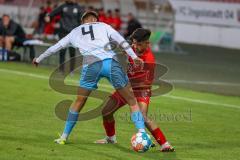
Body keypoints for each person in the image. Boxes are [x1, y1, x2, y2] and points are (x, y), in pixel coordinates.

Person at [32, 11, 149, 145]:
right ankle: (142, 133)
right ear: (95, 19)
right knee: (131, 100)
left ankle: (64, 137)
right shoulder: (103, 26)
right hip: (110, 63)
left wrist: (39, 58)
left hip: (91, 66)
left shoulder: (75, 31)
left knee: (79, 101)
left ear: (83, 21)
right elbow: (121, 41)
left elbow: (55, 47)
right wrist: (134, 57)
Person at [95, 28, 175, 152]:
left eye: (138, 44)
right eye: (134, 43)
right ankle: (111, 138)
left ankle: (165, 144)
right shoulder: (132, 46)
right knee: (106, 111)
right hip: (127, 87)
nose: (135, 46)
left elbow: (145, 83)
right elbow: (120, 46)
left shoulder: (149, 60)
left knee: (142, 117)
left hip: (142, 90)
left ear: (147, 43)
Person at [45, 0, 84, 73]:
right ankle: (61, 69)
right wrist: (48, 16)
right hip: (63, 31)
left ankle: (71, 69)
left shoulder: (78, 8)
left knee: (72, 51)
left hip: (73, 33)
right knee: (62, 51)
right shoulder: (63, 6)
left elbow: (81, 20)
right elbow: (52, 13)